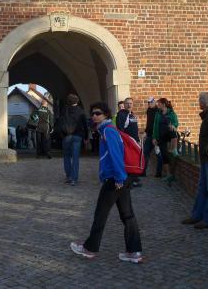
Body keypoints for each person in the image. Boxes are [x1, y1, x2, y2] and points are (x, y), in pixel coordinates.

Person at [70, 103, 143, 263]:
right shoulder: (106, 130)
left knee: (101, 213)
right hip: (119, 178)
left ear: (106, 114)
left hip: (114, 179)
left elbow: (116, 155)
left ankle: (90, 248)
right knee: (127, 214)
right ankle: (134, 252)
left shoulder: (108, 130)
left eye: (98, 113)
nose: (94, 116)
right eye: (92, 113)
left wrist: (119, 178)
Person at [182, 92, 208, 229]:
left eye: (199, 101)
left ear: (204, 103)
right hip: (207, 158)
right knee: (202, 188)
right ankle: (197, 215)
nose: (198, 103)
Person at [56, 94, 88, 185]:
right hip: (77, 136)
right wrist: (86, 137)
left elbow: (59, 123)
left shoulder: (64, 110)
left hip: (66, 136)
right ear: (77, 101)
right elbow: (85, 125)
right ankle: (74, 179)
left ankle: (68, 176)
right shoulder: (81, 111)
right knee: (75, 158)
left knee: (66, 156)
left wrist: (61, 135)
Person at [116, 97, 141, 188]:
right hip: (127, 142)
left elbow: (135, 129)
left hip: (134, 142)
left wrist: (138, 140)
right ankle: (127, 181)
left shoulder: (132, 114)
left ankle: (133, 179)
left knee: (133, 161)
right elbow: (120, 129)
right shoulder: (122, 114)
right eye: (127, 103)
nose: (129, 105)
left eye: (131, 103)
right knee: (128, 161)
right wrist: (124, 141)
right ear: (124, 104)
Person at [152, 98, 179, 183]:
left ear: (163, 104)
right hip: (161, 136)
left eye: (159, 103)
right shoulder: (158, 114)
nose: (157, 105)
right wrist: (154, 137)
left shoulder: (171, 113)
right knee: (164, 155)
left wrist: (173, 125)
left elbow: (176, 122)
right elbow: (155, 126)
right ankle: (168, 174)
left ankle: (174, 149)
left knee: (173, 131)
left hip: (169, 134)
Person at [141, 97, 160, 177]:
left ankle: (159, 173)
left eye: (151, 102)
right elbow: (149, 123)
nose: (149, 104)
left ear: (154, 102)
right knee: (145, 153)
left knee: (158, 153)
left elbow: (157, 125)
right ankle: (143, 172)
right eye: (148, 102)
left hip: (156, 136)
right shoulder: (148, 110)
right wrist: (146, 132)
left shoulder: (158, 111)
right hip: (149, 135)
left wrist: (156, 136)